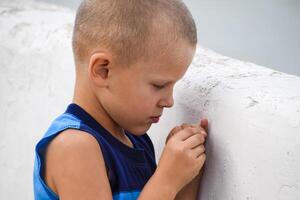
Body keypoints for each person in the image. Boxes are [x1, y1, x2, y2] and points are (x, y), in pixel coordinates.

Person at [33, 0, 208, 199]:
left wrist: (187, 176)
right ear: (103, 70)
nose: (169, 101)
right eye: (159, 86)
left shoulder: (137, 141)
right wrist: (167, 180)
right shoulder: (74, 147)